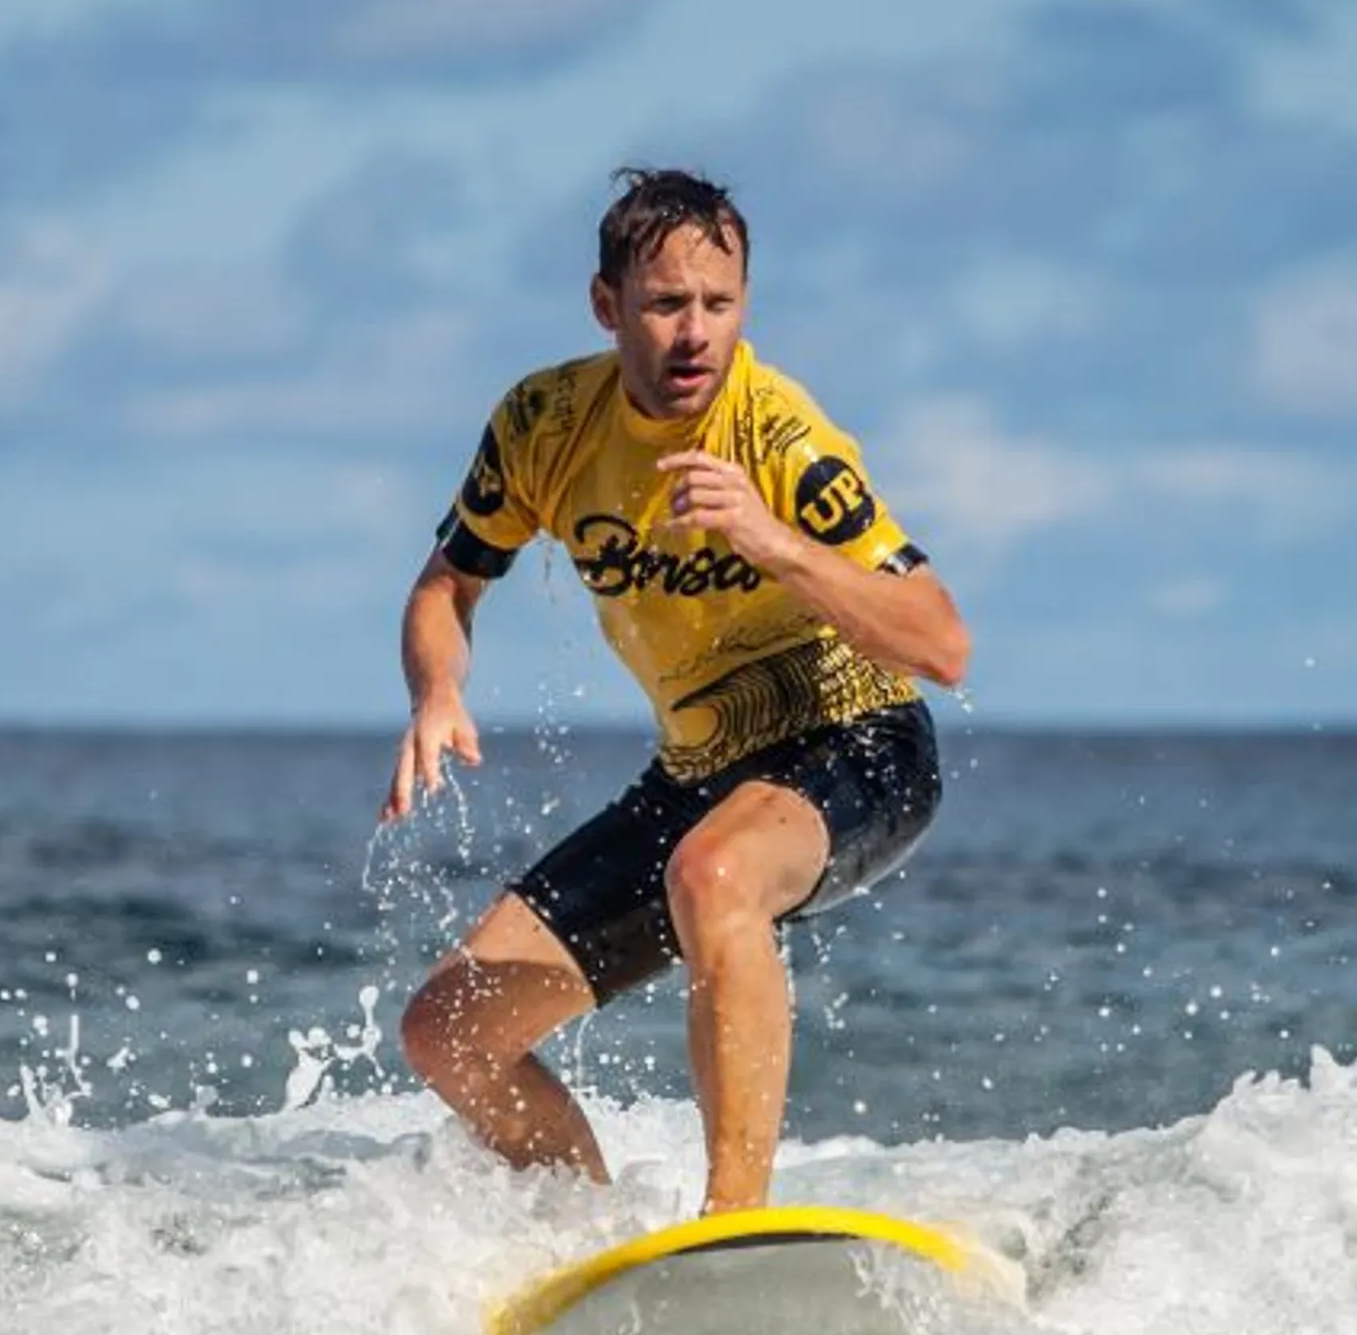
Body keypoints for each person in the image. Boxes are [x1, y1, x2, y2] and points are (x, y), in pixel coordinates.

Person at [382, 167, 971, 1214]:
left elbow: (940, 641)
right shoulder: (544, 424)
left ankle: (732, 1224)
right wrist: (437, 691)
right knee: (450, 1030)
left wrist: (771, 540)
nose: (696, 333)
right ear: (606, 305)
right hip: (699, 773)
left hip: (860, 743)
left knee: (713, 872)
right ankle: (586, 1235)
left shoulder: (779, 436)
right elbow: (447, 586)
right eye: (665, 304)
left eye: (719, 303)